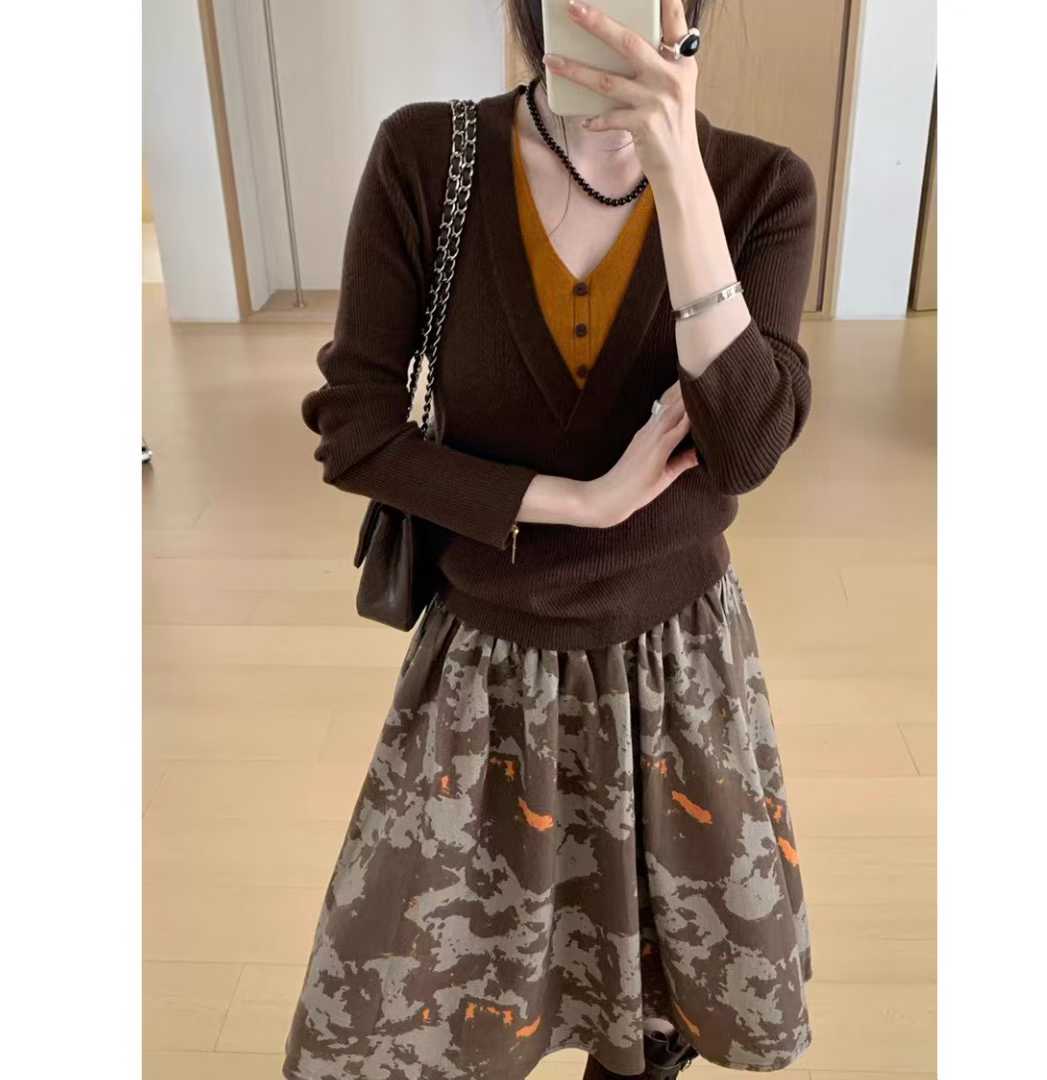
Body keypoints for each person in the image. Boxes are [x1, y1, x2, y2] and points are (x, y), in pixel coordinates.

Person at [283, 1, 816, 1076]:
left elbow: (747, 445)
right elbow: (356, 430)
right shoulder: (430, 158)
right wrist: (581, 501)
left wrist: (678, 175)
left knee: (653, 1015)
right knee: (433, 1001)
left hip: (676, 673)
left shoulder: (760, 187)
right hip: (487, 677)